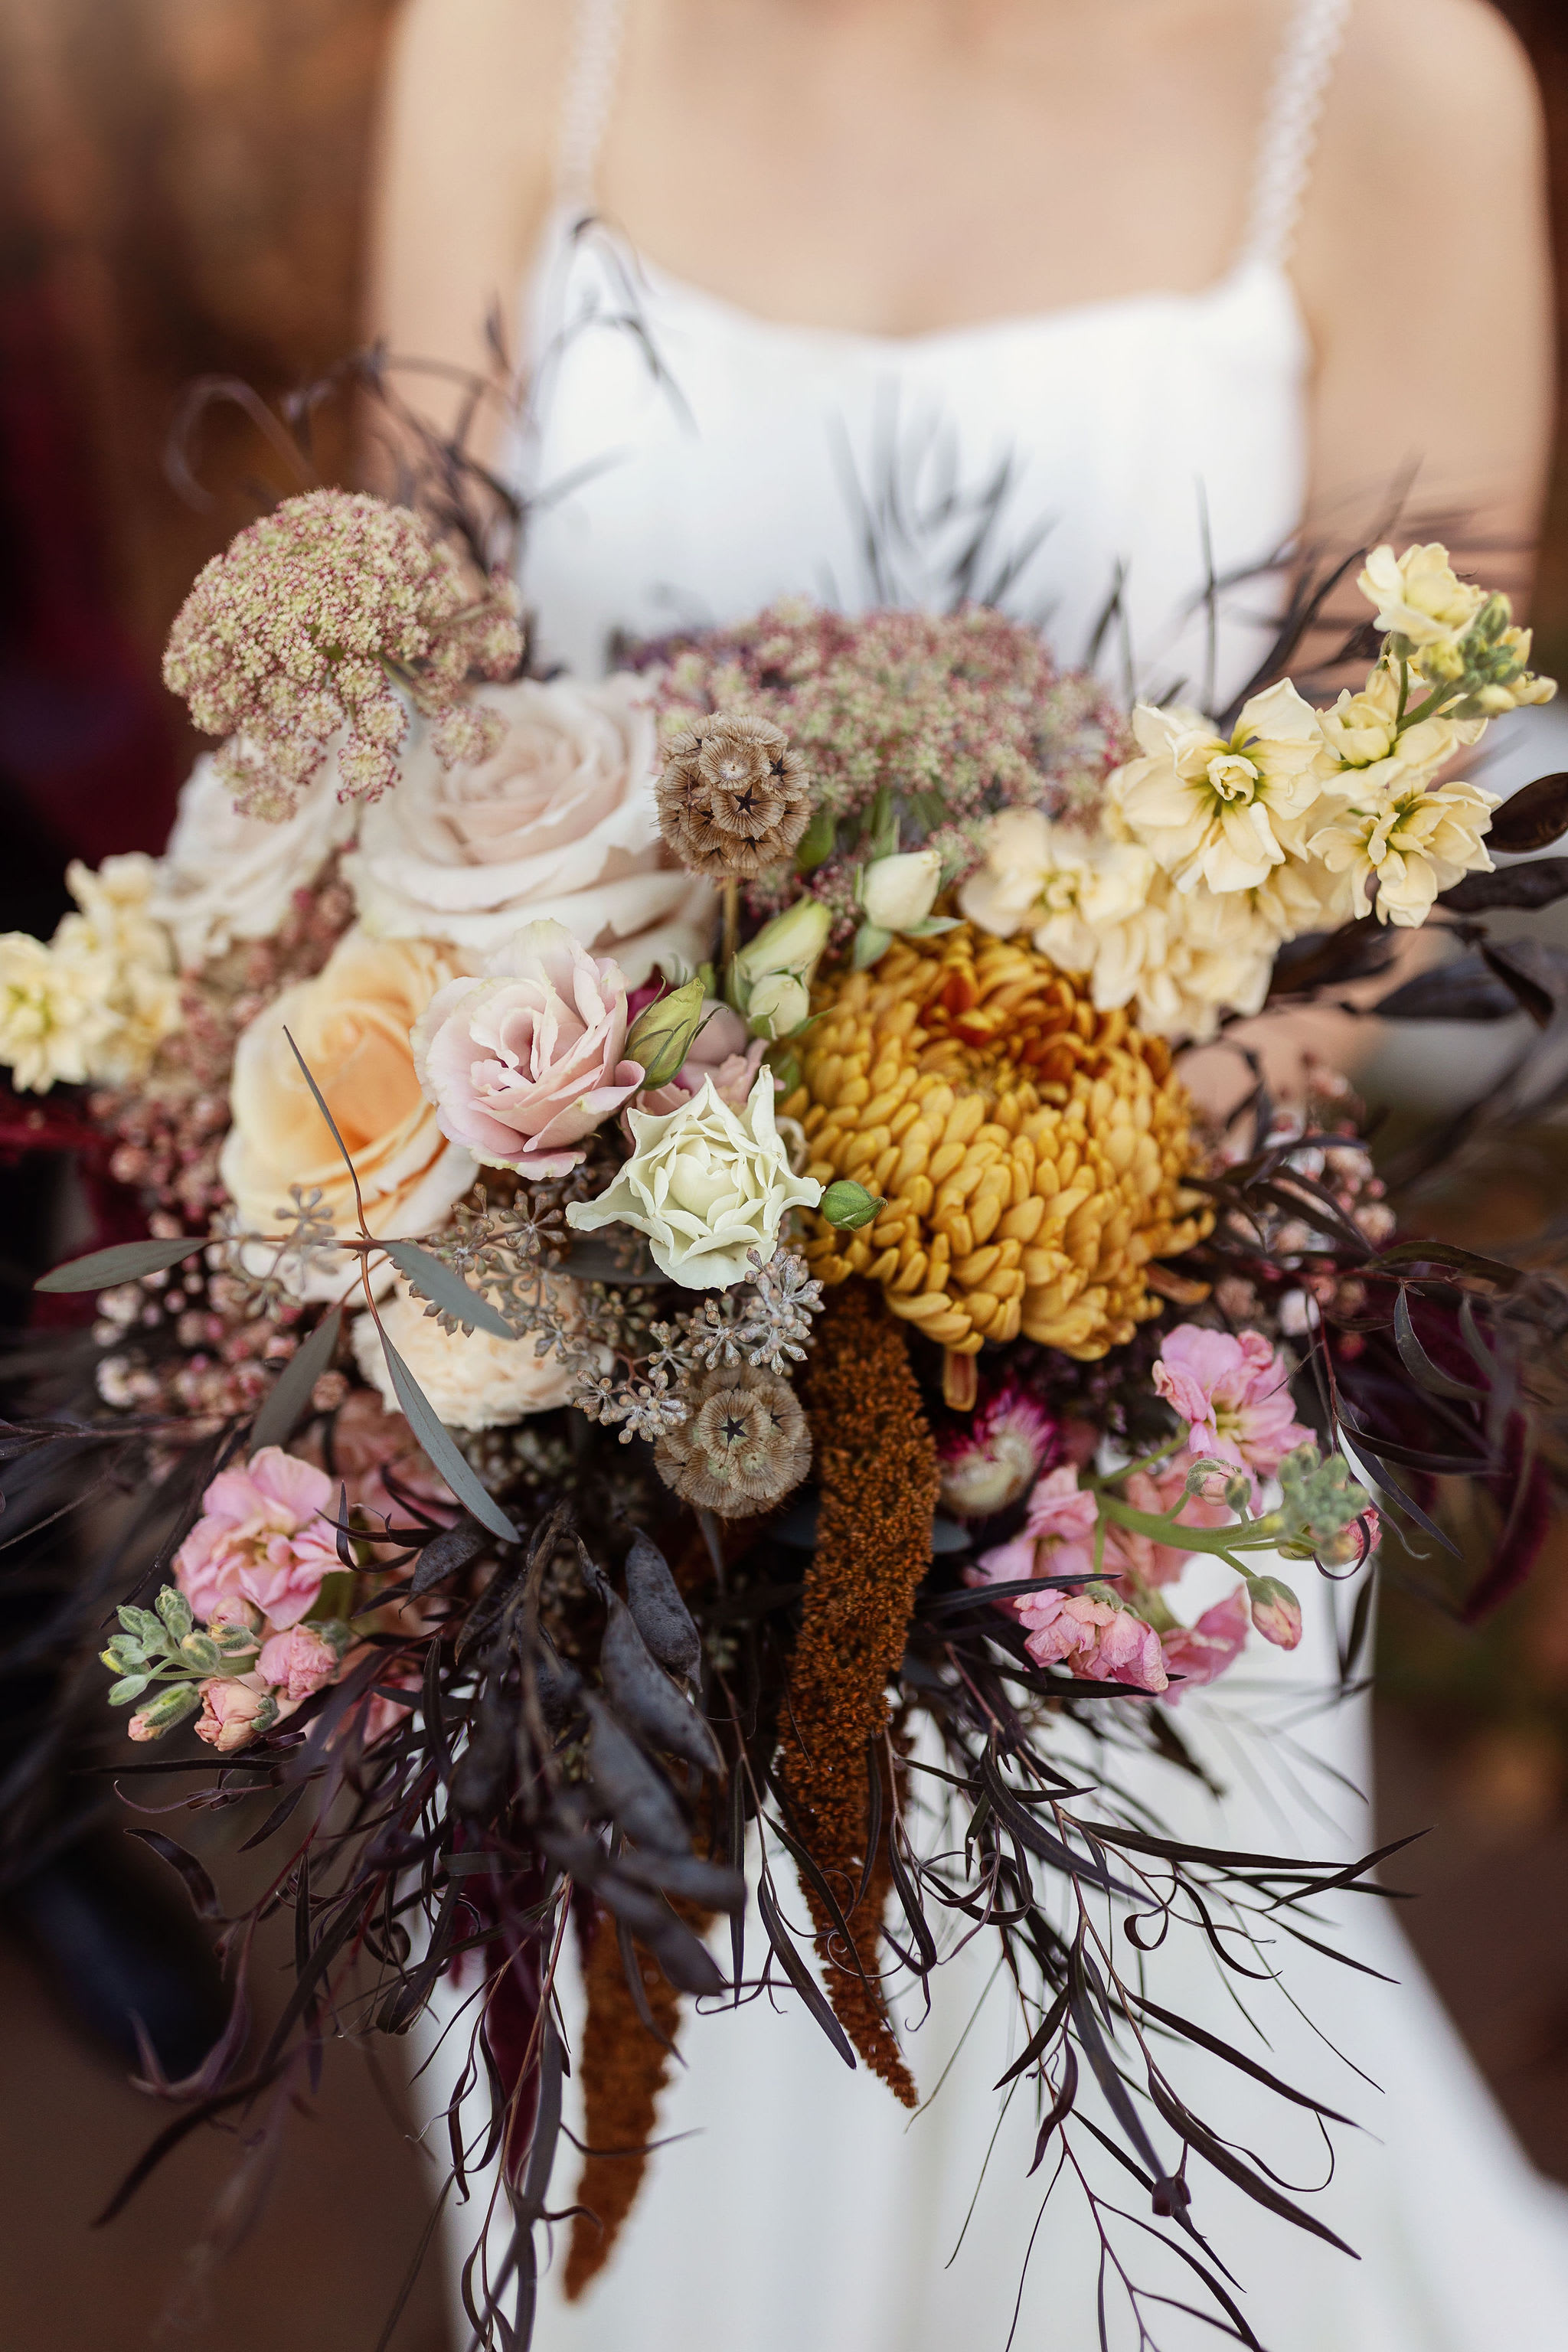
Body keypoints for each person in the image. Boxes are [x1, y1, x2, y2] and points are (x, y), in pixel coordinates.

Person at [371, 5, 1568, 2346]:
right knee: (641, 2208)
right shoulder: (519, 38)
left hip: (1112, 1390)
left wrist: (966, 1281)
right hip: (566, 1382)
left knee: (1129, 2207)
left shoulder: (1393, 82)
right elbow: (425, 721)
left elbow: (1385, 829)